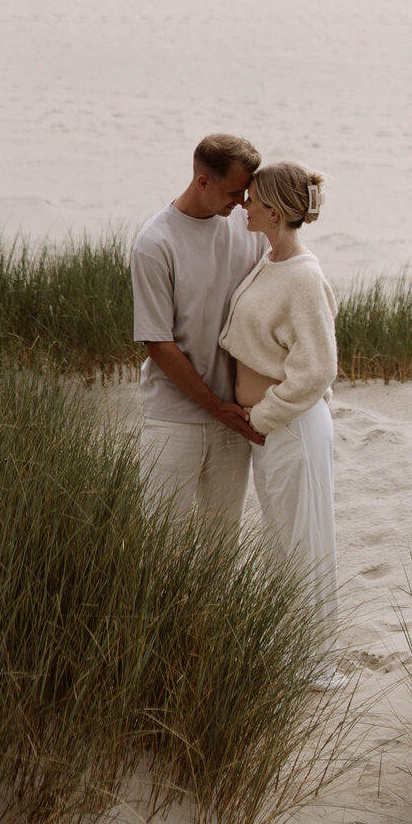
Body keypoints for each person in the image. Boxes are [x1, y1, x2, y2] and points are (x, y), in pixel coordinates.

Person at [220, 160, 342, 678]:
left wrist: (263, 416)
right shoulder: (270, 261)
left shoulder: (304, 277)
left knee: (302, 541)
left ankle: (311, 663)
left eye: (250, 199)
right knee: (282, 538)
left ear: (271, 211)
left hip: (289, 425)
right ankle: (294, 653)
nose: (242, 205)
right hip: (270, 430)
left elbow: (317, 369)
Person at [130, 132, 267, 529]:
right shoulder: (155, 243)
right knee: (160, 542)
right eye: (234, 193)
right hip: (174, 419)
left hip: (235, 418)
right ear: (202, 181)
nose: (241, 204)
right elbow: (157, 343)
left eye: (247, 195)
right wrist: (213, 405)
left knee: (221, 545)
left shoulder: (248, 227)